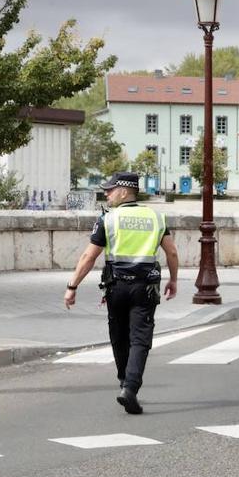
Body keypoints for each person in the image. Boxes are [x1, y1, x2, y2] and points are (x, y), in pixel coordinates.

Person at [64, 171, 178, 415]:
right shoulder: (156, 217)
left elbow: (89, 256)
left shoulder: (109, 219)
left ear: (125, 191)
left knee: (118, 336)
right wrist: (174, 280)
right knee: (140, 339)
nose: (106, 193)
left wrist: (72, 286)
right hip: (145, 288)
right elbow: (172, 253)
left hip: (116, 287)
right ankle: (130, 388)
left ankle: (124, 381)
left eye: (110, 189)